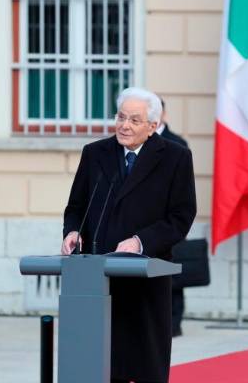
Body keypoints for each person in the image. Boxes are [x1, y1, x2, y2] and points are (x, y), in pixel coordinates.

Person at [61, 87, 197, 383]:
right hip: (99, 278)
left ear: (153, 125)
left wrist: (140, 242)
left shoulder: (175, 157)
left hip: (146, 278)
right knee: (104, 365)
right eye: (121, 117)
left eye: (134, 120)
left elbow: (181, 217)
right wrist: (72, 231)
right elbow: (76, 206)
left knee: (145, 366)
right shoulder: (95, 153)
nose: (124, 125)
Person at [156, 98, 189, 338]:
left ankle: (174, 322)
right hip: (144, 222)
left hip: (169, 218)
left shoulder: (178, 143)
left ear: (163, 114)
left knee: (172, 274)